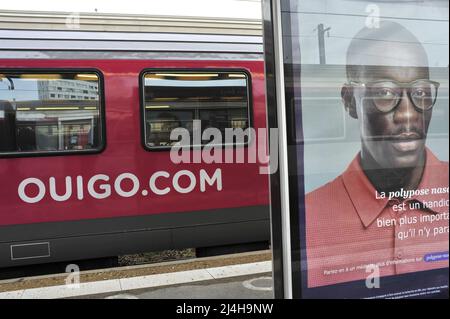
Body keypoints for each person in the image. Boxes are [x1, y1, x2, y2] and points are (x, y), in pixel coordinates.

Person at [305, 21, 449, 288]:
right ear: (350, 101)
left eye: (420, 92)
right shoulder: (310, 216)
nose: (407, 113)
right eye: (384, 92)